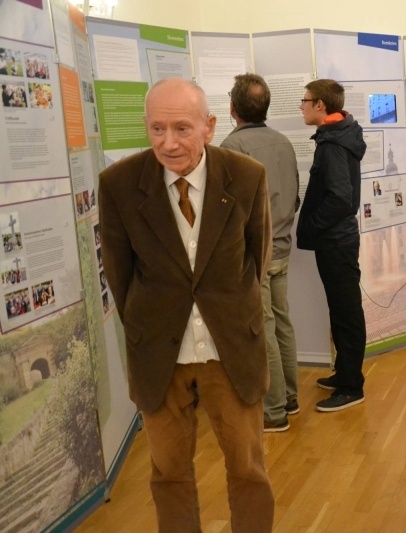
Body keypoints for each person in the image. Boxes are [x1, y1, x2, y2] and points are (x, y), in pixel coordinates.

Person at [99, 77, 274, 532]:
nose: (168, 143)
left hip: (231, 350)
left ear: (210, 126)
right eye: (157, 129)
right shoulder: (118, 184)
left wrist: (227, 312)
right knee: (169, 474)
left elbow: (257, 260)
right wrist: (149, 325)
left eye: (181, 128)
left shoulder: (247, 176)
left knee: (248, 470)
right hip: (160, 354)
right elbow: (119, 275)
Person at [221, 73, 300, 433]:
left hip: (255, 254)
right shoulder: (283, 142)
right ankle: (291, 397)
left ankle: (274, 410)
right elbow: (295, 195)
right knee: (281, 320)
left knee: (264, 327)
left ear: (233, 108)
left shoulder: (230, 149)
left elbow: (228, 212)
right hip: (283, 244)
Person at [297, 79, 367, 412]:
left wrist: (311, 224)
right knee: (341, 311)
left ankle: (352, 386)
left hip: (336, 240)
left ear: (321, 105)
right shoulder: (336, 136)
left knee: (346, 312)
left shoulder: (334, 144)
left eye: (305, 100)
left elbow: (341, 198)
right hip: (336, 239)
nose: (301, 106)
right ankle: (344, 373)